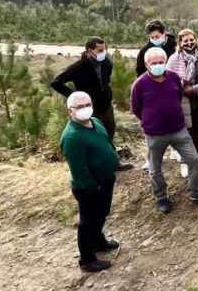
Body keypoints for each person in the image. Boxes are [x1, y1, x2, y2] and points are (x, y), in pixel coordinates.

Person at [131, 48, 198, 214]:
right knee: (155, 169)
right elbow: (136, 108)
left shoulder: (173, 78)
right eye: (154, 63)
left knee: (194, 160)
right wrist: (151, 120)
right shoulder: (139, 84)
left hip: (178, 130)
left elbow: (177, 97)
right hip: (154, 134)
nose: (158, 65)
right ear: (147, 64)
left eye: (161, 62)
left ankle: (195, 192)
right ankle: (161, 197)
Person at [51, 37, 133, 171]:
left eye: (104, 49)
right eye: (100, 50)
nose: (103, 52)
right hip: (89, 108)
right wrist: (74, 96)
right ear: (89, 51)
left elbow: (105, 82)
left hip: (106, 105)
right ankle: (94, 167)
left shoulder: (107, 63)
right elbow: (56, 83)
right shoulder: (78, 67)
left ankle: (114, 162)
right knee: (93, 137)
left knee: (109, 132)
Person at [60, 91, 120, 273]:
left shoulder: (96, 122)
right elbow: (79, 170)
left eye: (88, 104)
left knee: (101, 214)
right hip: (90, 187)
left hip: (105, 180)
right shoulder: (72, 137)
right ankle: (86, 260)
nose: (85, 109)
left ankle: (98, 242)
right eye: (80, 107)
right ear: (70, 111)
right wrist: (94, 187)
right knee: (88, 221)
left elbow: (106, 144)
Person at [166, 28, 198, 159]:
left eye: (191, 40)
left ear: (196, 40)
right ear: (180, 42)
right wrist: (181, 87)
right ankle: (186, 159)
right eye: (185, 41)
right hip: (183, 98)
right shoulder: (174, 58)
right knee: (185, 129)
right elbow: (168, 78)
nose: (189, 43)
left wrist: (196, 88)